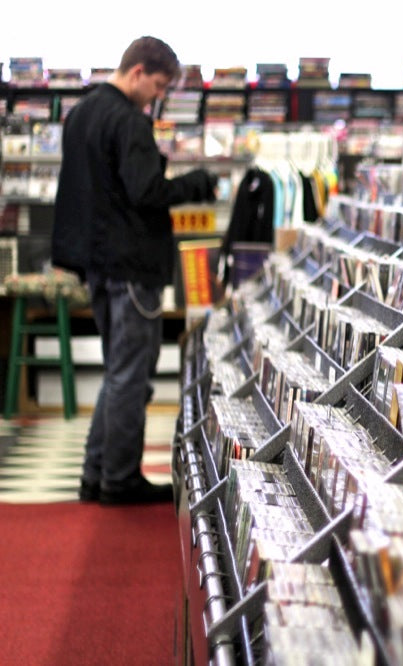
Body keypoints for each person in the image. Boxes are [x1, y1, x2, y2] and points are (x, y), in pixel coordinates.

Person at [52, 36, 217, 505]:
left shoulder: (82, 113)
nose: (157, 97)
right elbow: (146, 192)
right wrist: (196, 183)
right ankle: (119, 479)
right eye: (158, 85)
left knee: (117, 371)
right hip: (131, 265)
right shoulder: (128, 121)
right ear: (139, 71)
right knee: (132, 376)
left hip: (97, 263)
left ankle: (97, 474)